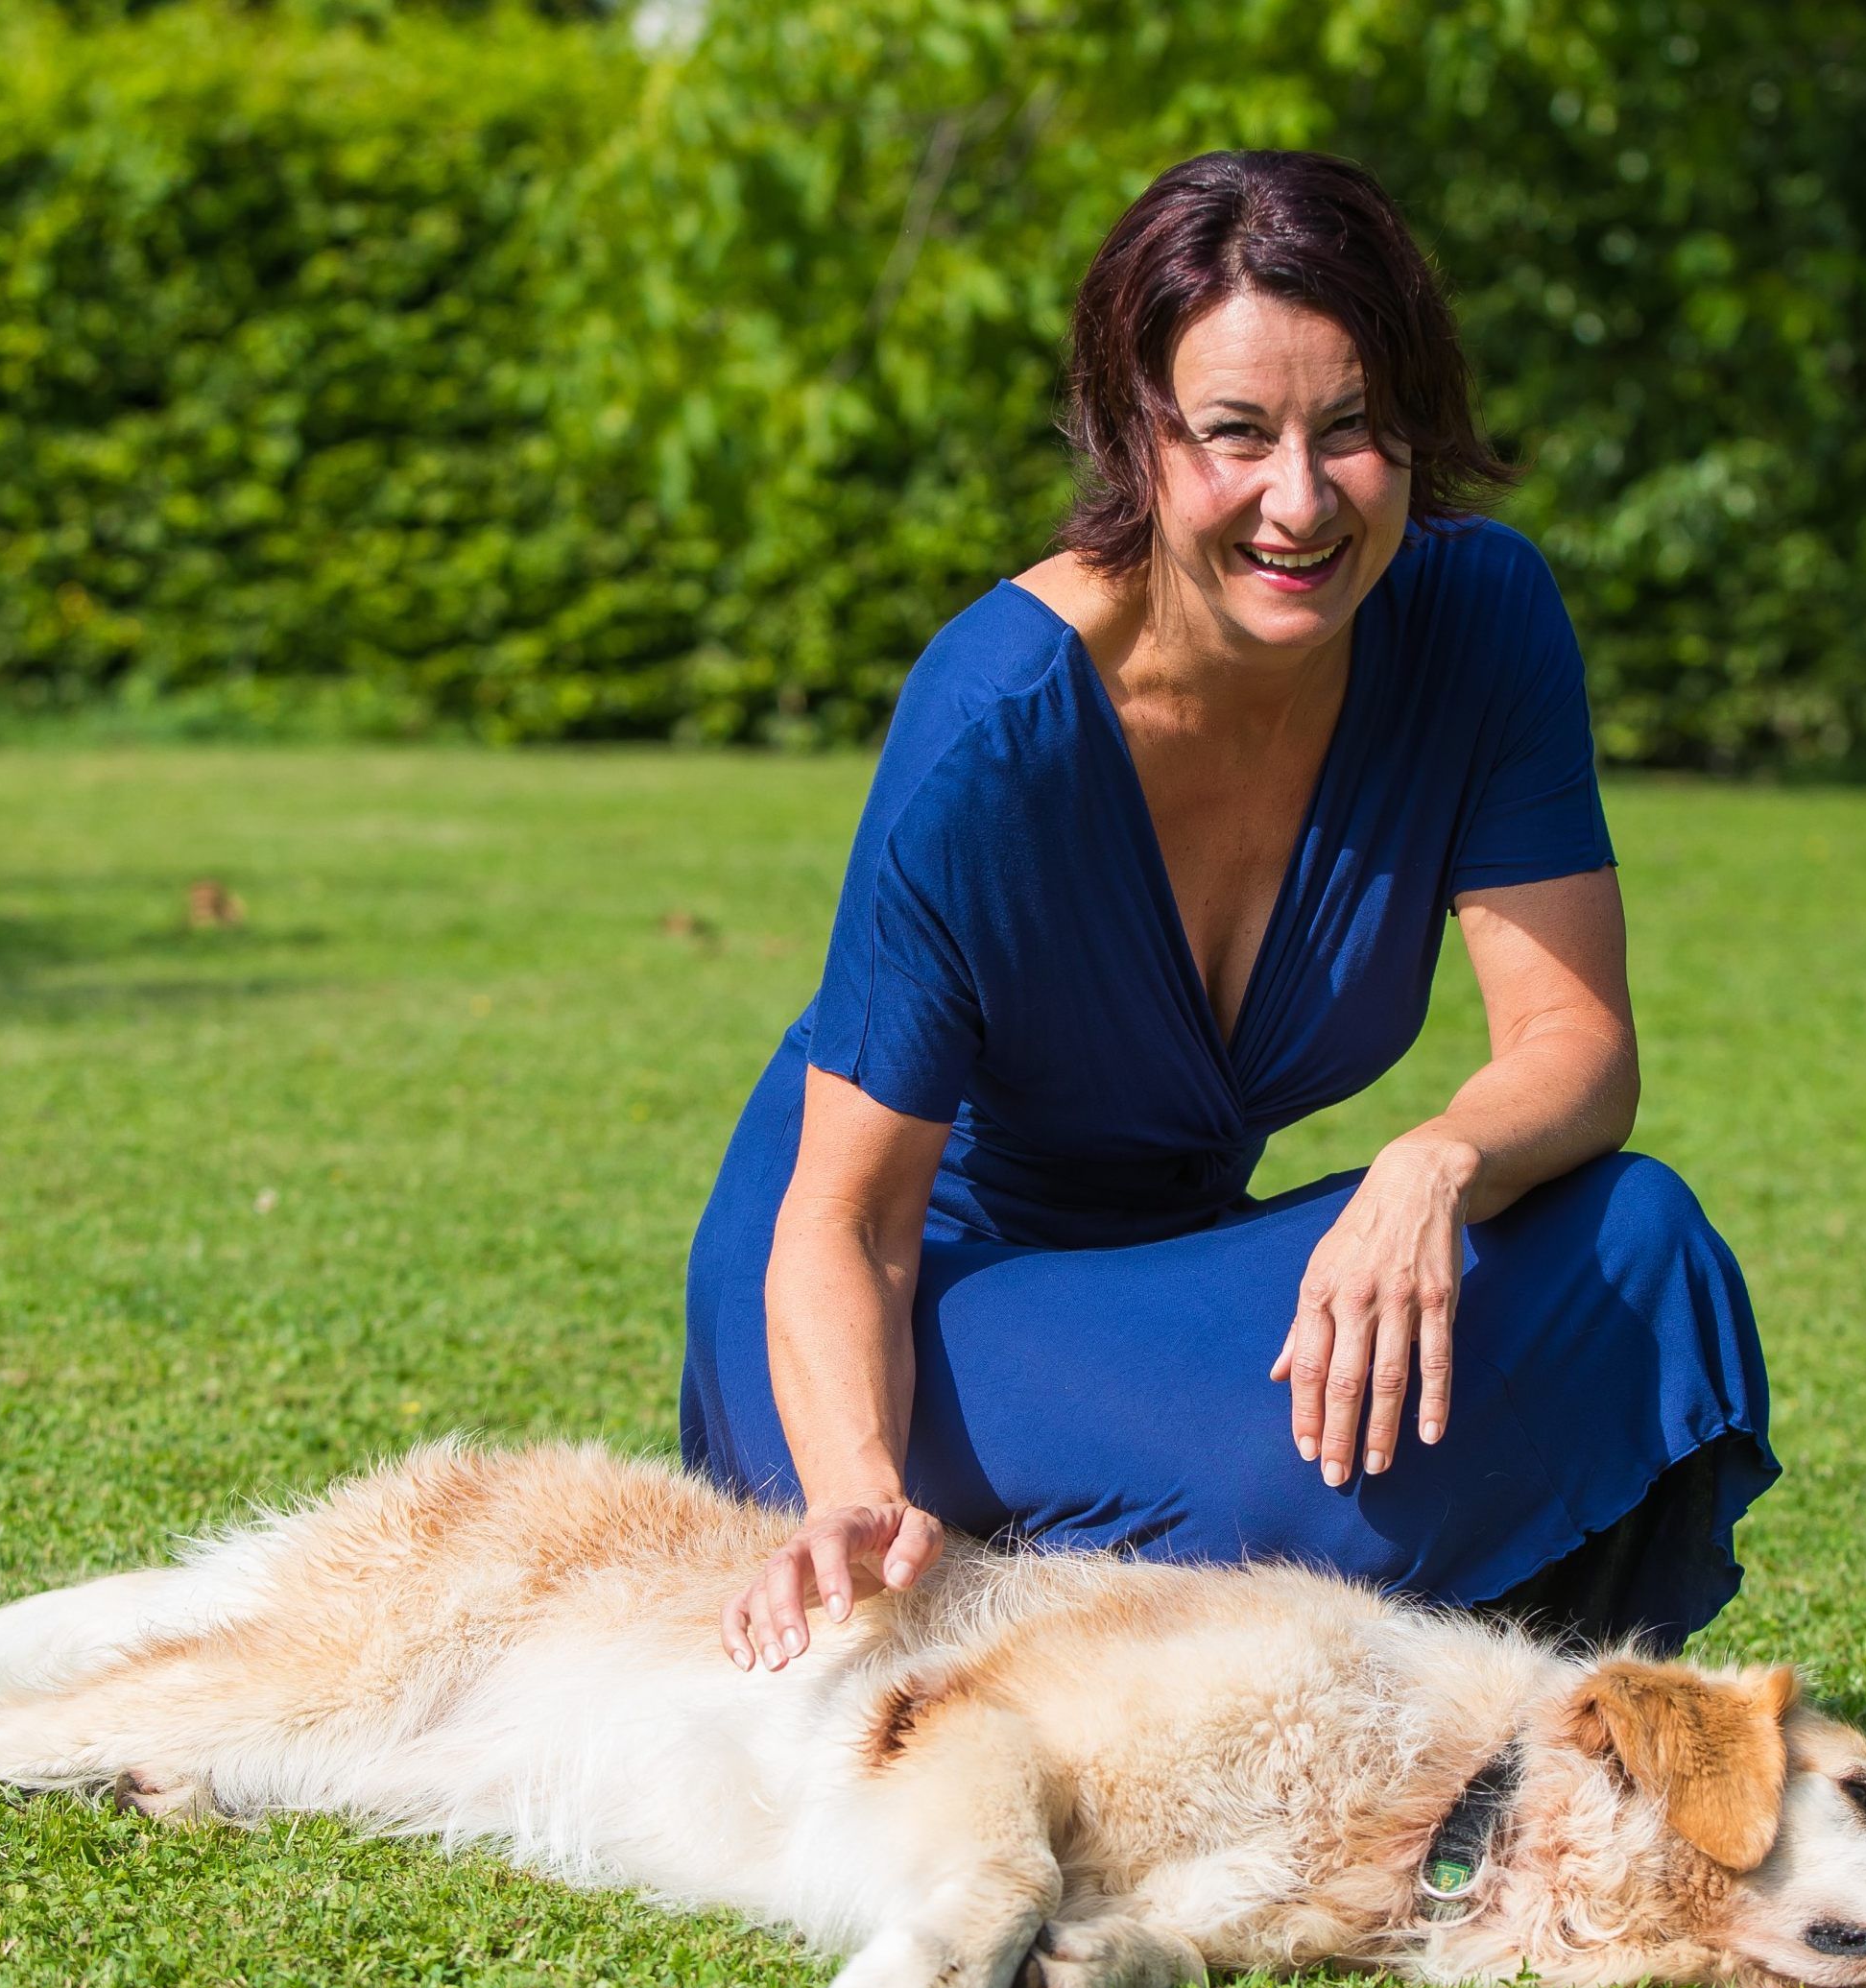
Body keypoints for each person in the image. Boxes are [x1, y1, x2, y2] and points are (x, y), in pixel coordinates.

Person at [681, 148, 1776, 1672]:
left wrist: (1433, 1163)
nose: (1301, 501)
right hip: (902, 1308)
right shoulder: (996, 721)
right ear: (1135, 435)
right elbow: (841, 1216)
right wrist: (854, 1490)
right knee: (1301, 1464)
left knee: (1636, 1246)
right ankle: (1335, 1647)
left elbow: (1573, 1038)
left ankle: (1413, 1657)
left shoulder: (1481, 619)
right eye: (1235, 436)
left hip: (1177, 1277)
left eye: (1351, 432)